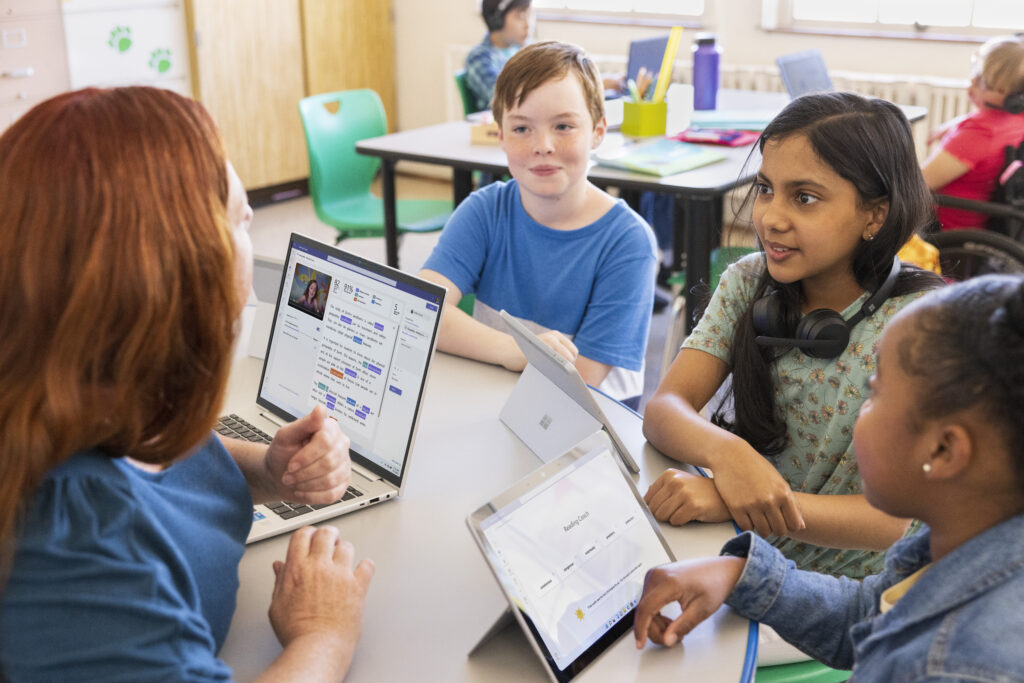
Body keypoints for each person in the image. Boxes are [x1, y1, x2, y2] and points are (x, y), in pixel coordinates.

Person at [0, 87, 373, 681]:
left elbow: (151, 458)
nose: (250, 232)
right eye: (239, 219)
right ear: (174, 273)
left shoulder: (82, 386)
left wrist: (266, 472)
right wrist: (323, 636)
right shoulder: (75, 544)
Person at [634, 275, 1024, 681]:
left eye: (873, 394)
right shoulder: (962, 543)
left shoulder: (964, 667)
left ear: (943, 451)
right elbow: (868, 614)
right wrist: (739, 574)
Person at [642, 92, 945, 579]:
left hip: (851, 591)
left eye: (804, 197)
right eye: (765, 189)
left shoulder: (919, 326)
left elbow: (891, 519)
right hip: (744, 554)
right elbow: (663, 409)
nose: (770, 217)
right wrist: (727, 452)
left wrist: (732, 501)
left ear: (875, 215)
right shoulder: (748, 281)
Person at [421, 41, 657, 409]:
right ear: (499, 135)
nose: (543, 145)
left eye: (564, 126)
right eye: (521, 129)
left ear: (597, 132)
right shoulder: (485, 210)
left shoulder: (628, 241)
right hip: (491, 401)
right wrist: (515, 349)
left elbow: (577, 382)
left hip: (584, 429)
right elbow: (421, 309)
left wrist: (507, 354)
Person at [922, 34, 1024, 230]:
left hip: (943, 231)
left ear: (1005, 91)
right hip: (981, 228)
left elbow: (919, 184)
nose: (973, 82)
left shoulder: (979, 132)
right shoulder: (1016, 119)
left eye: (982, 80)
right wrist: (954, 124)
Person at [464, 0, 533, 113]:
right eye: (520, 16)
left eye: (529, 15)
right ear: (497, 20)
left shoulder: (526, 49)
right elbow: (505, 100)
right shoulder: (479, 58)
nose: (528, 24)